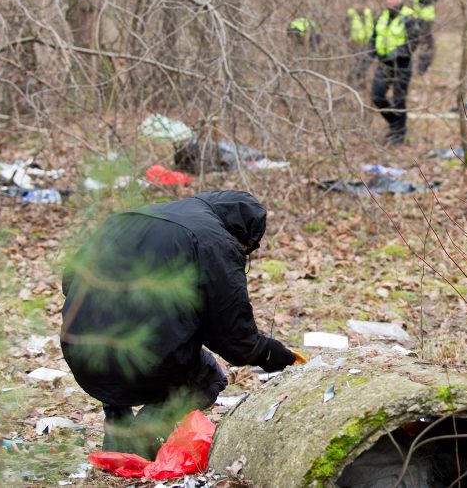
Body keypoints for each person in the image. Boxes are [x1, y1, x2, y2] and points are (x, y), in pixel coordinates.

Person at [60, 191, 299, 457]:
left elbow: (69, 281)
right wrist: (270, 353)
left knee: (113, 330)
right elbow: (236, 342)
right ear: (241, 235)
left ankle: (118, 427)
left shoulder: (130, 217)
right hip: (141, 365)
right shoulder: (214, 241)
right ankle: (144, 431)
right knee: (208, 377)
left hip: (80, 352)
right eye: (248, 248)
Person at [371, 0, 420, 145]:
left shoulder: (409, 17)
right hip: (384, 63)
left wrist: (397, 53)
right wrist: (365, 60)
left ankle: (399, 134)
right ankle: (394, 123)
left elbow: (413, 42)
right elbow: (373, 39)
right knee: (377, 96)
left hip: (402, 64)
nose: (388, 1)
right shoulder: (381, 17)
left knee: (399, 99)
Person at [347, 1, 375, 88]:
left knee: (364, 64)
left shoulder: (369, 13)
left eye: (362, 3)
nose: (360, 6)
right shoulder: (350, 14)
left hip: (366, 43)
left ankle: (361, 82)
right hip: (354, 44)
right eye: (358, 3)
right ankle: (351, 80)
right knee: (355, 64)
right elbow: (345, 28)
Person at [413, 0, 437, 75]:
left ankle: (423, 68)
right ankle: (421, 69)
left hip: (427, 23)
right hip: (422, 22)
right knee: (425, 46)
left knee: (429, 45)